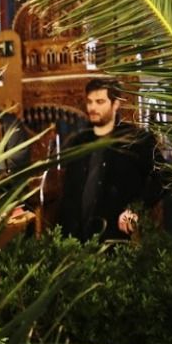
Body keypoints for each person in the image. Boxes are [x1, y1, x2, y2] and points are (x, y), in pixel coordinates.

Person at [58, 79, 164, 241]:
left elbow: (164, 176)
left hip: (117, 238)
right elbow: (69, 194)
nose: (92, 108)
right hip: (77, 241)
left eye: (100, 102)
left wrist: (136, 209)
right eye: (90, 102)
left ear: (115, 104)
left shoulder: (136, 139)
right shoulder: (78, 141)